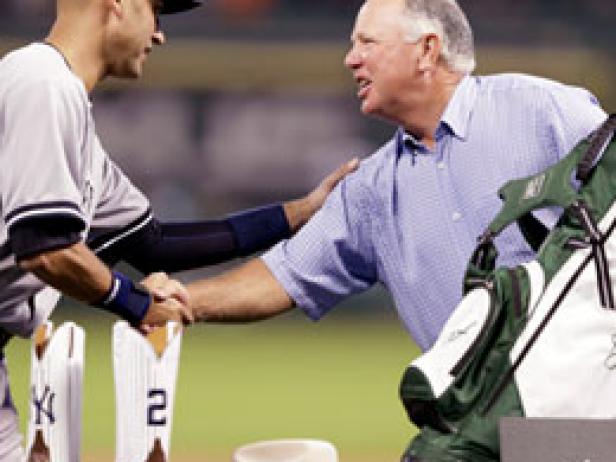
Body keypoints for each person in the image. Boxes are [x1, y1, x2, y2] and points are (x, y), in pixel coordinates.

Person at [0, 0, 356, 458]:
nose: (160, 34)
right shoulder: (40, 82)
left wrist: (299, 213)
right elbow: (46, 248)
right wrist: (140, 305)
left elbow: (155, 244)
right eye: (157, 11)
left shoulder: (62, 102)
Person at [167, 0, 607, 348]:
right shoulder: (372, 188)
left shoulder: (540, 111)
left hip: (575, 397)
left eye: (367, 42)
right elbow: (284, 276)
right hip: (470, 420)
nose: (350, 59)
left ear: (427, 50)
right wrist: (184, 301)